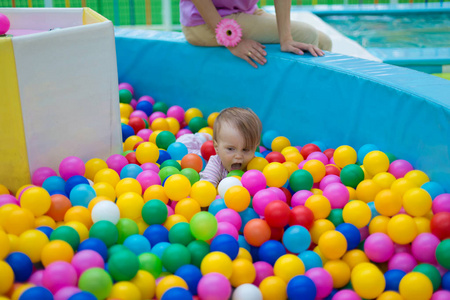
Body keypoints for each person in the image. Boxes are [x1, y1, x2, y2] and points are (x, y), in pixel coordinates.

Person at [180, 0, 332, 68]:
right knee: (307, 35)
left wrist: (286, 38)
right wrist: (232, 40)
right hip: (203, 22)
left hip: (245, 11)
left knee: (324, 42)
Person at [176, 107, 262, 187]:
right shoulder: (216, 162)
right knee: (182, 144)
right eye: (231, 149)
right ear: (216, 148)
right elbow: (207, 184)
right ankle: (201, 138)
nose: (238, 156)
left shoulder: (255, 164)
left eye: (245, 150)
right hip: (199, 157)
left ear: (254, 148)